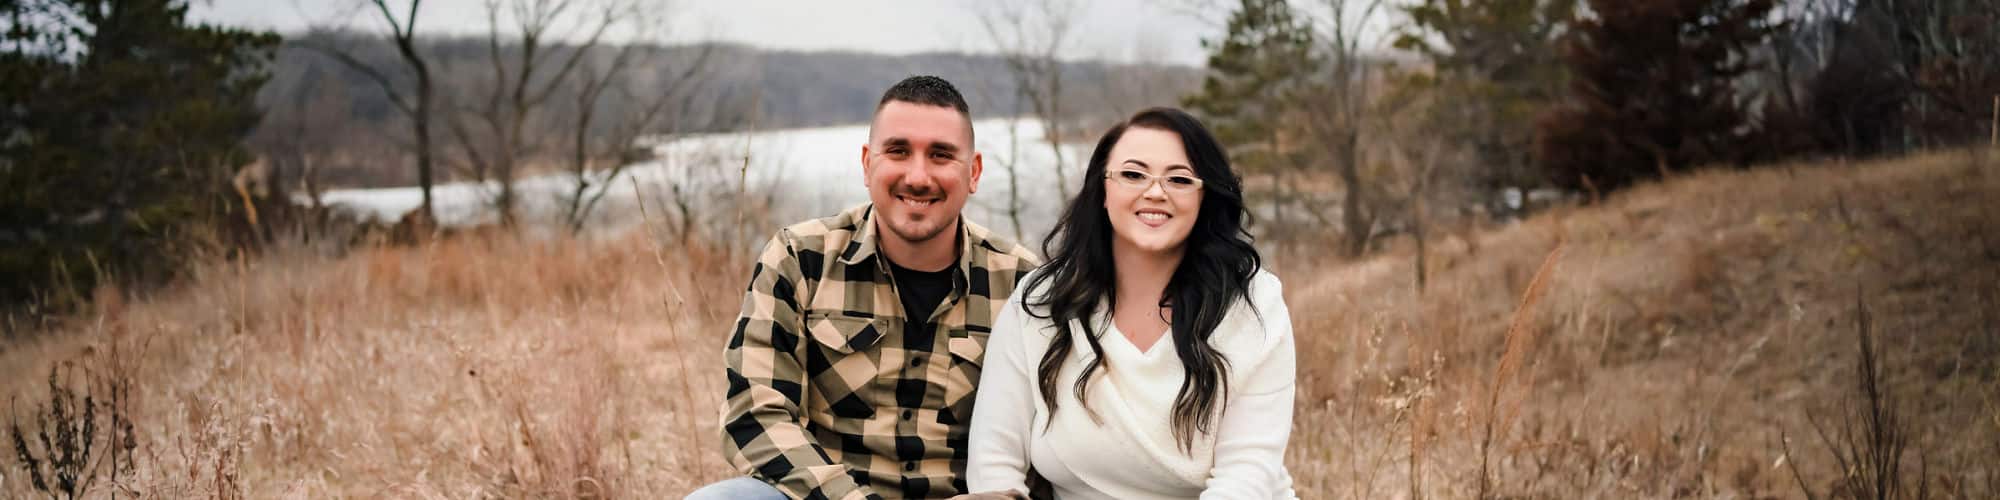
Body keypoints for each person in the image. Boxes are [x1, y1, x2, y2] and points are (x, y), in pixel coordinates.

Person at [687, 75, 1042, 500]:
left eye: (941, 155)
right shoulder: (801, 259)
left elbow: (1048, 434)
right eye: (898, 151)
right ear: (866, 163)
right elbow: (755, 413)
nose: (918, 176)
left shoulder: (1023, 281)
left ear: (974, 172)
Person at [966, 107, 1298, 499]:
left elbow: (1246, 479)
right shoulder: (1041, 302)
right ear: (1102, 191)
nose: (1155, 191)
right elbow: (994, 463)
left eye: (1178, 179)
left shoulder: (1253, 305)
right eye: (1133, 174)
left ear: (1204, 197)